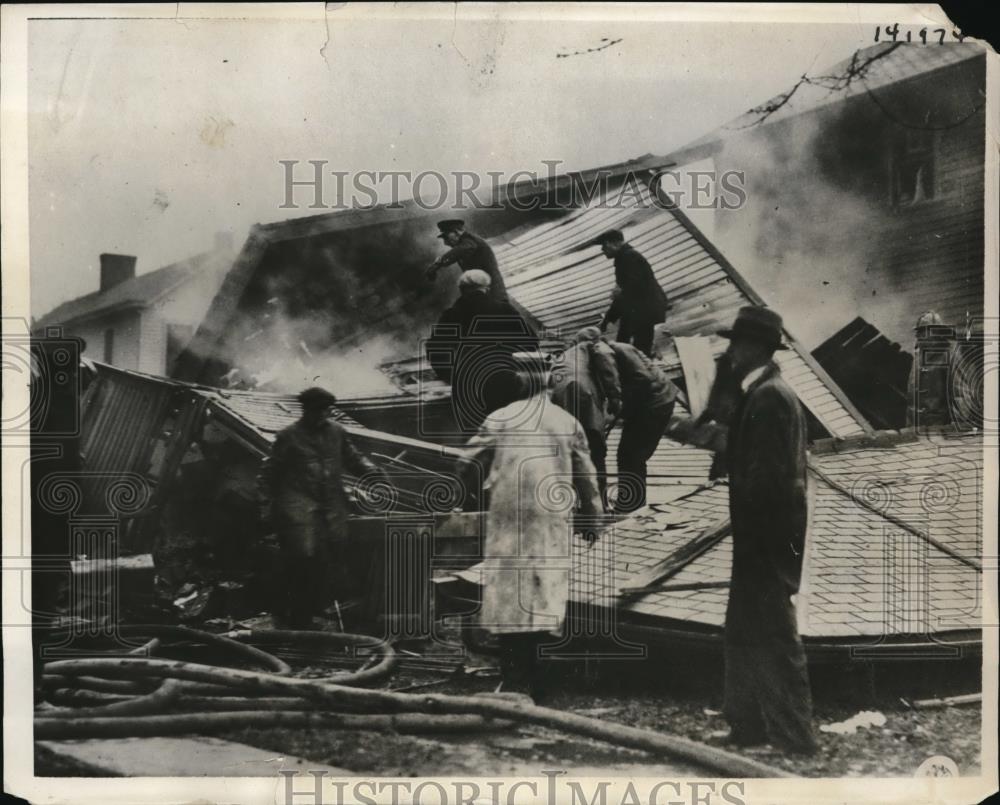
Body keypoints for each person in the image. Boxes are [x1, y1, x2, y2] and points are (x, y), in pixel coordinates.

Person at [464, 357, 602, 701]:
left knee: (510, 596)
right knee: (544, 592)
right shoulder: (566, 421)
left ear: (518, 383)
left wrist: (469, 495)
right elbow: (588, 477)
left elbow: (467, 461)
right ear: (546, 384)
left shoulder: (500, 418)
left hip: (509, 518)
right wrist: (592, 520)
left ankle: (514, 679)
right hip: (549, 519)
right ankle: (542, 683)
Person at [717, 306, 818, 755]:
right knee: (741, 629)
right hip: (759, 536)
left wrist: (757, 538)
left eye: (735, 343)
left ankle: (796, 739)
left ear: (753, 347)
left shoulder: (770, 397)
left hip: (767, 537)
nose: (729, 351)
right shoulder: (760, 392)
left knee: (774, 634)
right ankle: (747, 728)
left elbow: (769, 478)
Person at [260, 386, 386, 627]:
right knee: (302, 558)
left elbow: (353, 458)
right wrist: (267, 507)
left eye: (326, 411)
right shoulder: (288, 436)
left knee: (327, 559)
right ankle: (296, 619)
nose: (322, 416)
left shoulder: (336, 432)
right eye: (317, 411)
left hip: (330, 506)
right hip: (298, 505)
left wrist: (373, 473)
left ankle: (311, 612)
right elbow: (270, 473)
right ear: (306, 410)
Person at [576, 326, 679, 514]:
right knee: (628, 453)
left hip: (657, 402)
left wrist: (622, 407)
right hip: (648, 402)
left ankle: (632, 504)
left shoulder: (621, 350)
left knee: (632, 454)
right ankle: (630, 501)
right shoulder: (611, 354)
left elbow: (643, 379)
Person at [426, 269, 538, 435]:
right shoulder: (504, 310)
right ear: (486, 288)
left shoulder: (452, 315)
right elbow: (531, 342)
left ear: (462, 290)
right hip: (504, 381)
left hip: (468, 385)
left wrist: (451, 376)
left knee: (476, 435)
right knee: (507, 433)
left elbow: (436, 350)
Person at [549, 330, 612, 510]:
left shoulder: (565, 356)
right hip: (582, 394)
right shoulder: (592, 348)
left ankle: (574, 504)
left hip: (559, 396)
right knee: (596, 449)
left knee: (570, 449)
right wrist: (614, 396)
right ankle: (601, 503)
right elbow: (607, 369)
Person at [594, 229, 670, 357]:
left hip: (643, 310)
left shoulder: (628, 257)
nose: (602, 250)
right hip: (640, 309)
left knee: (635, 349)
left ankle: (639, 372)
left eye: (604, 246)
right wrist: (608, 319)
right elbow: (627, 291)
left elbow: (631, 290)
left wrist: (608, 319)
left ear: (612, 244)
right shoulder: (625, 257)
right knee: (628, 346)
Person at [427, 219, 509, 303]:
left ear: (456, 232)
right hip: (486, 295)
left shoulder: (469, 240)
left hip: (493, 295)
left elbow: (462, 249)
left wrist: (438, 264)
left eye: (446, 236)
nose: (446, 242)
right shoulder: (465, 243)